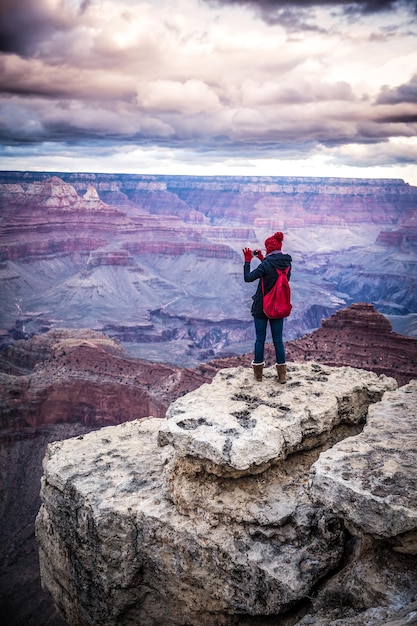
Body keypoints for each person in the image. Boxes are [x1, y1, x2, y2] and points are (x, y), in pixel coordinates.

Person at [243, 231, 292, 383]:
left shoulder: (266, 265)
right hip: (279, 307)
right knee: (278, 340)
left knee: (260, 339)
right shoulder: (287, 264)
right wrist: (263, 259)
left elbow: (248, 278)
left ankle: (258, 375)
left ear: (268, 248)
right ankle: (282, 375)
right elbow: (276, 275)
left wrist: (248, 261)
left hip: (262, 308)